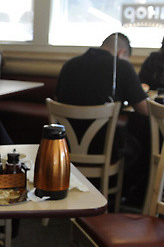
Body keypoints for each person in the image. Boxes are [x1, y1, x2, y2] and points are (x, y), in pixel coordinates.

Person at [56, 32, 149, 206]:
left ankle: (84, 189)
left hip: (64, 146)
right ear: (122, 53)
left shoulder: (69, 65)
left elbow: (58, 99)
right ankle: (114, 196)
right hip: (103, 148)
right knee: (138, 145)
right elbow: (144, 109)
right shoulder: (121, 67)